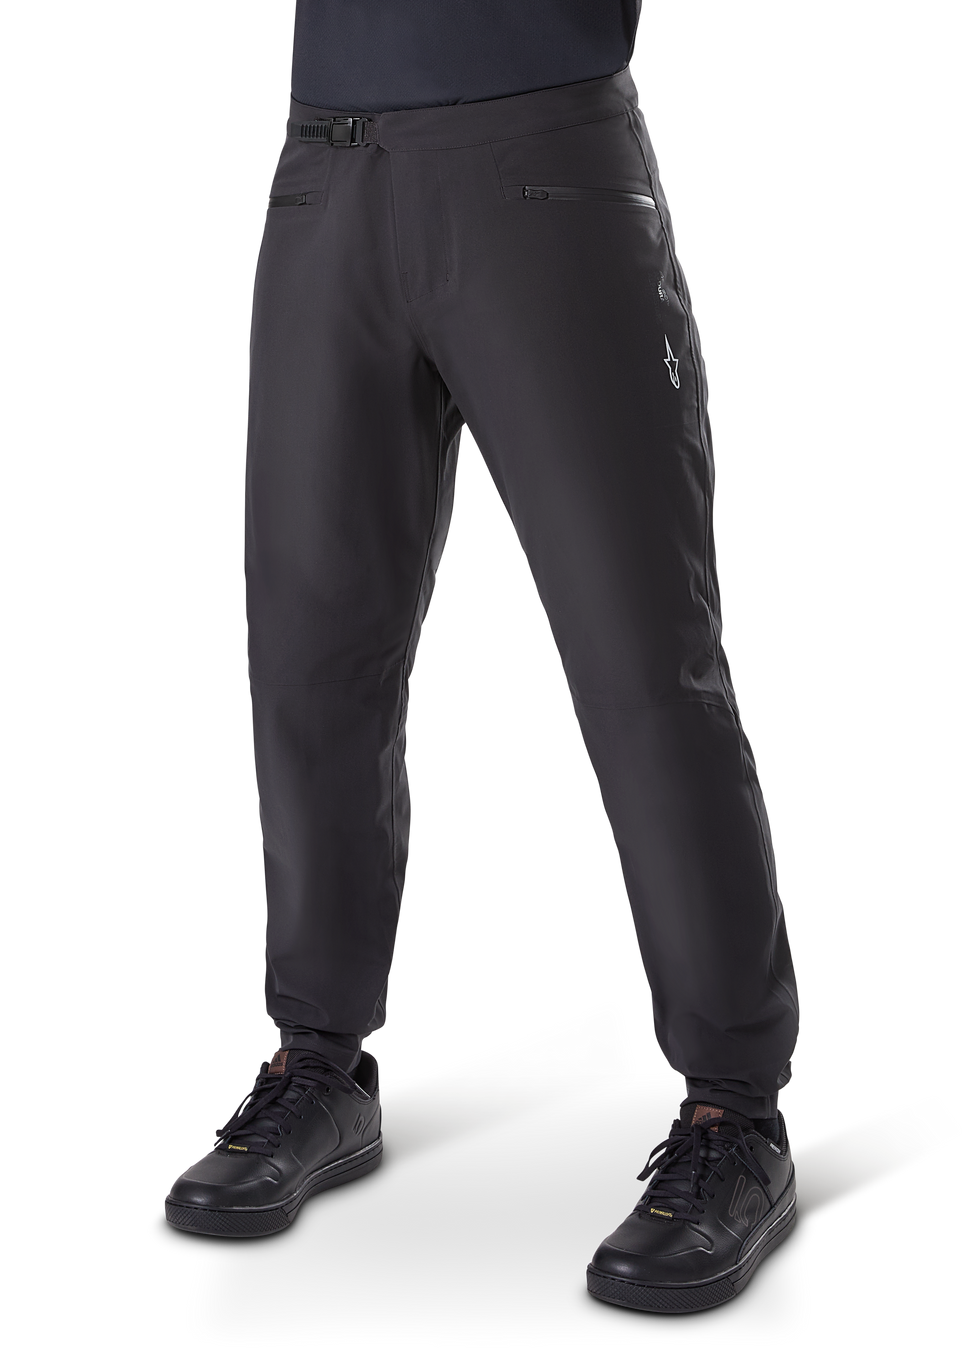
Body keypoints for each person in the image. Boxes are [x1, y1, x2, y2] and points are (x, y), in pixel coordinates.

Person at [162, 1, 803, 1312]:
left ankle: (736, 1118)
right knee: (311, 661)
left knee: (644, 668)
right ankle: (318, 1065)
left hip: (544, 161)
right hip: (325, 166)